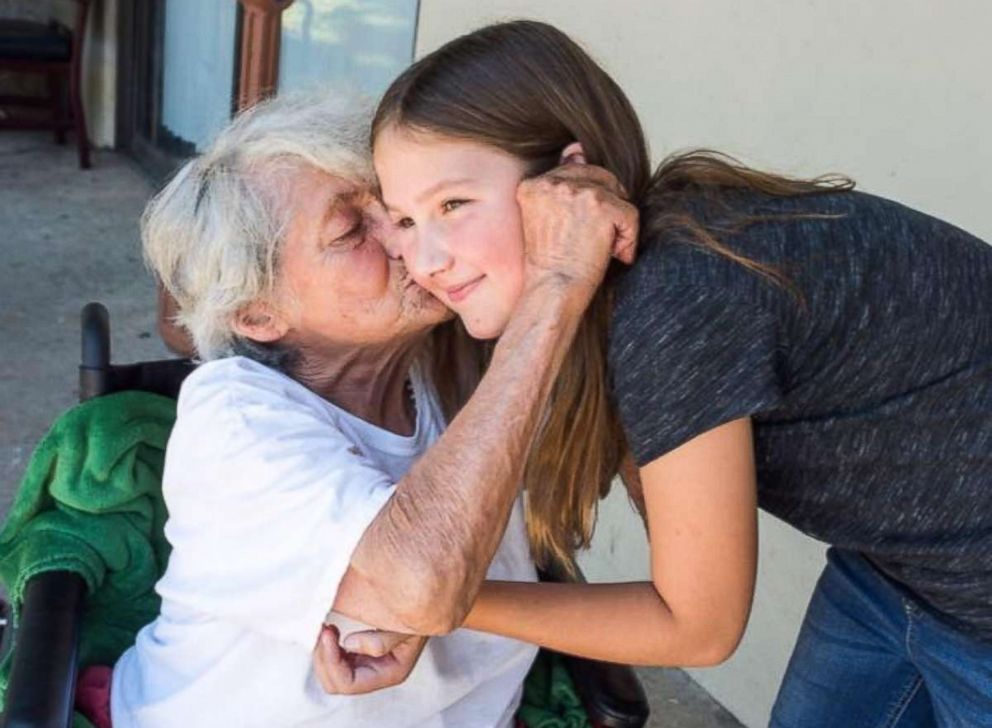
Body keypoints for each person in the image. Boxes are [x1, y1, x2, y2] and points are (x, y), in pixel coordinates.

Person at [347, 19, 992, 727]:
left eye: (454, 204)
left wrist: (433, 603)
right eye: (404, 221)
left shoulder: (675, 297)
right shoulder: (627, 283)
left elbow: (696, 625)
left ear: (569, 181)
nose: (428, 257)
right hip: (894, 573)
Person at [108, 90, 637, 727]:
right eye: (353, 231)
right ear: (259, 314)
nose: (405, 238)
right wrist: (553, 288)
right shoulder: (233, 420)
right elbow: (418, 585)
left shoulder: (450, 354)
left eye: (393, 208)